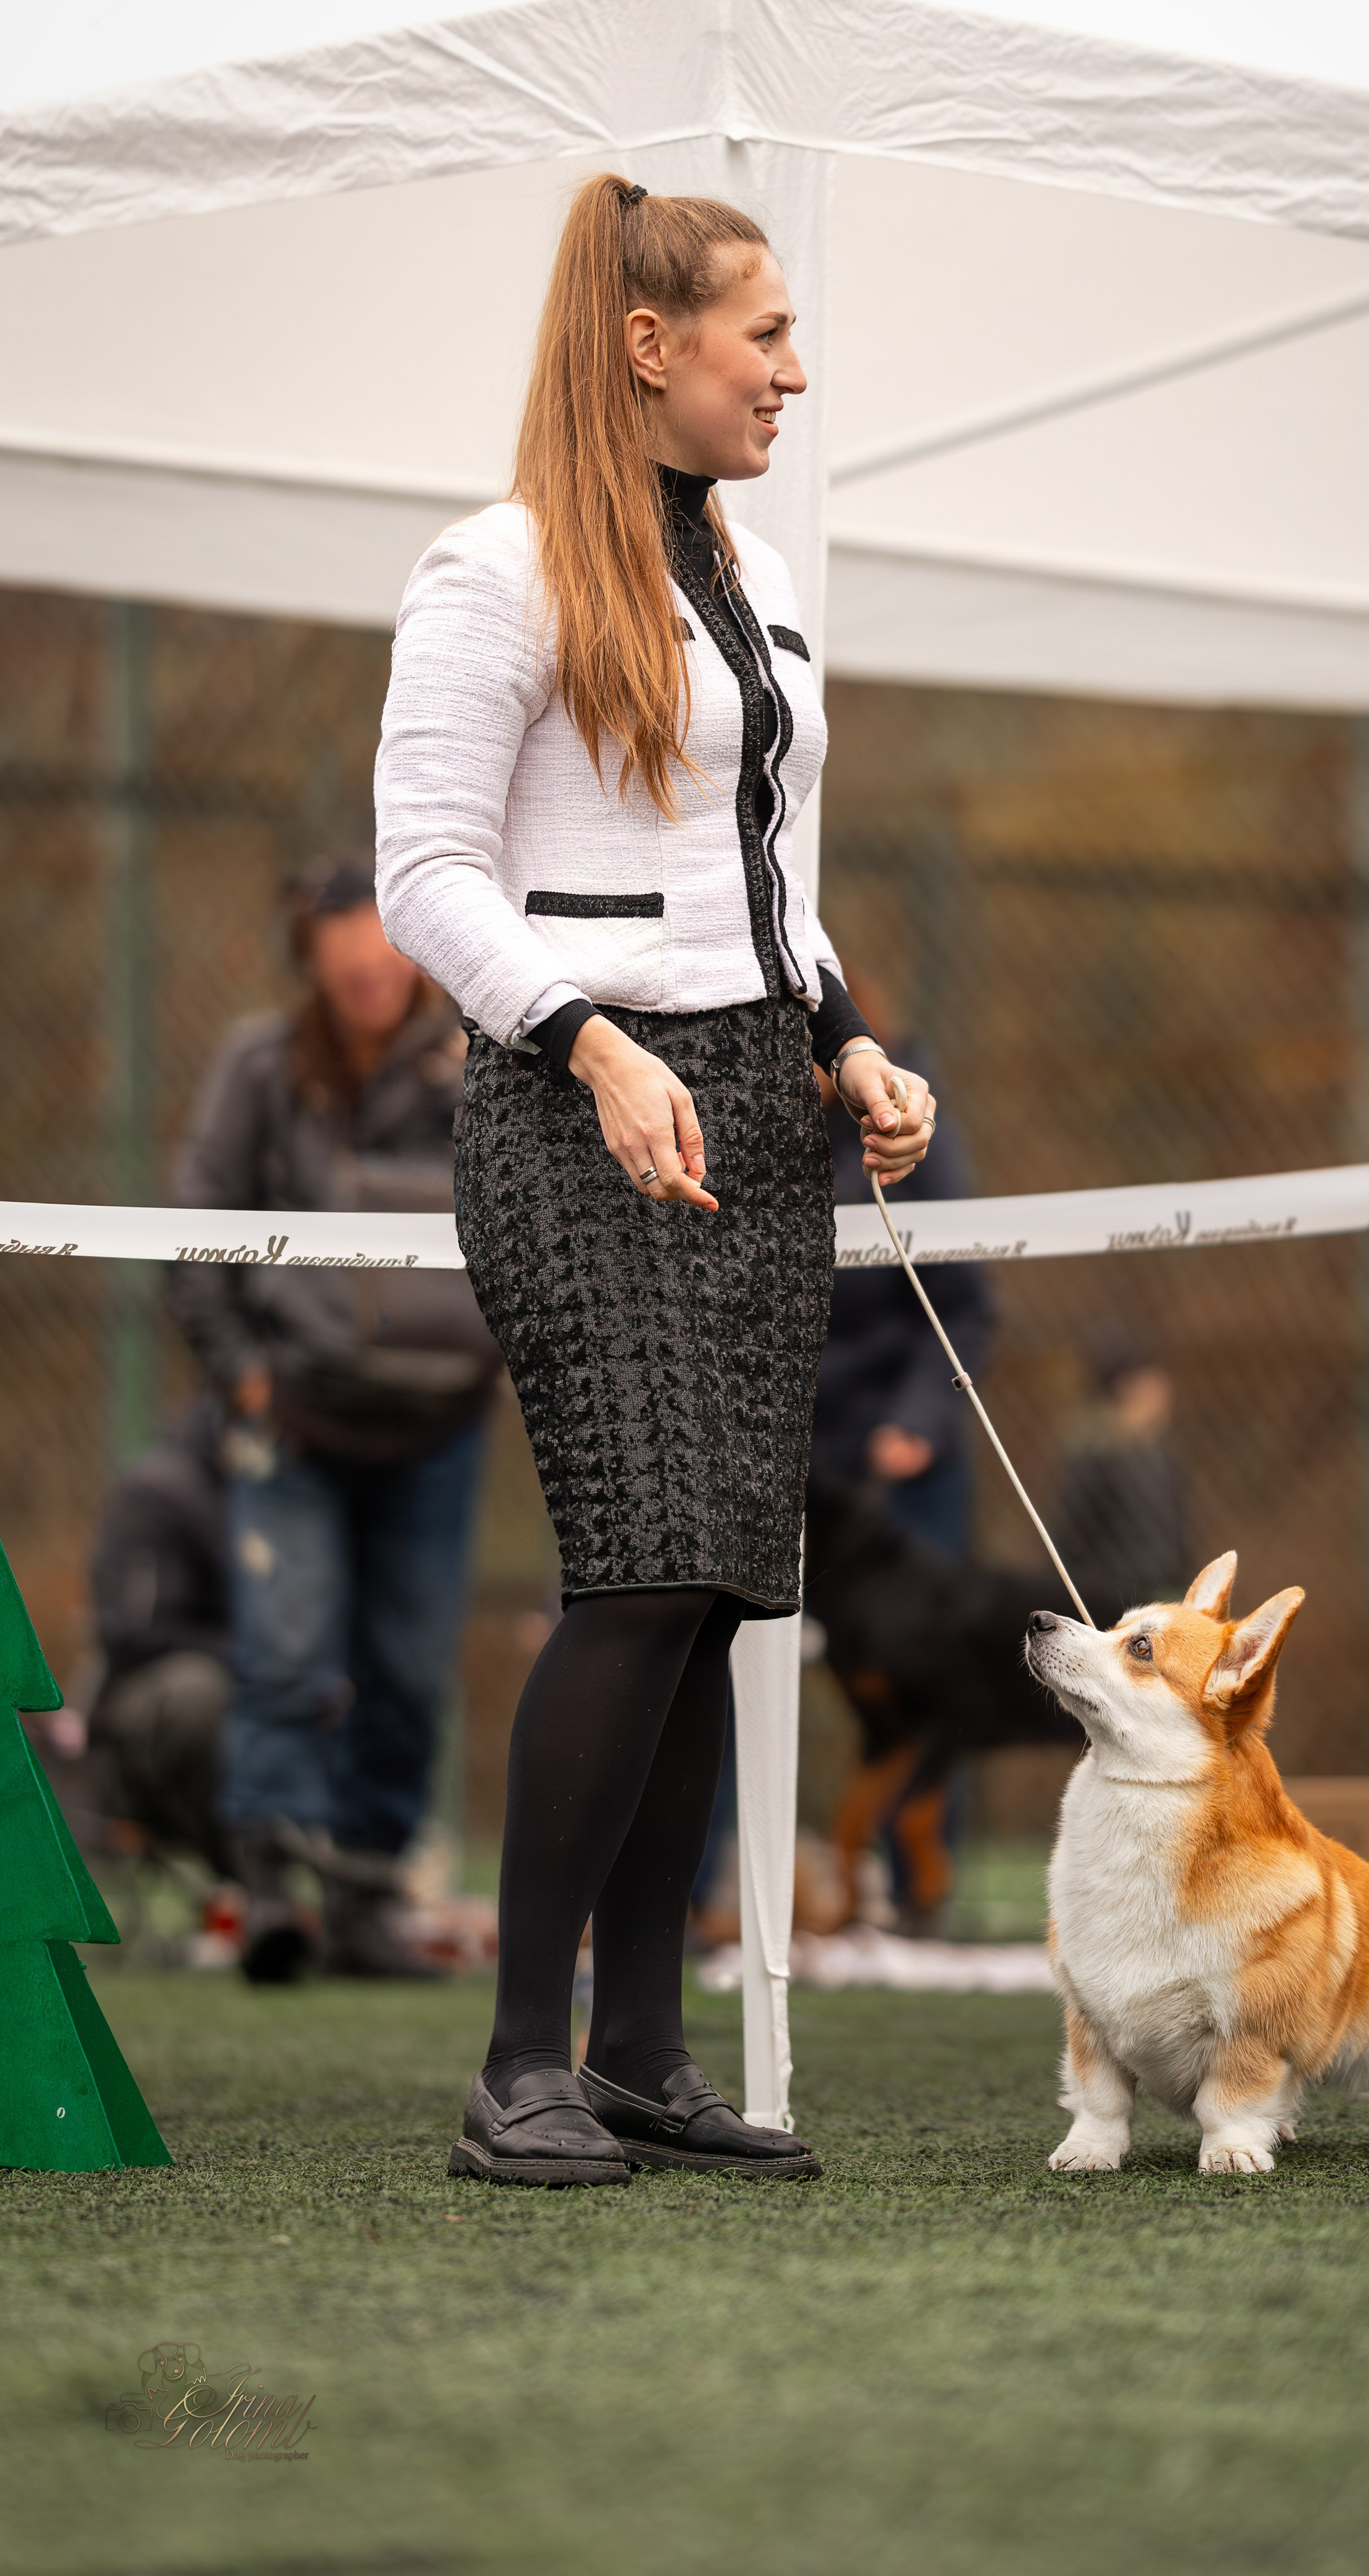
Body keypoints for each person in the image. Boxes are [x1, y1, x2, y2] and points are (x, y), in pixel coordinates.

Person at [375, 174, 935, 2186]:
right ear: (650, 347)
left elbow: (765, 886)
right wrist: (591, 1041)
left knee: (713, 1591)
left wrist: (848, 1043)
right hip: (571, 1105)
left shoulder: (760, 576)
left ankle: (639, 2053)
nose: (794, 370)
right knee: (632, 1569)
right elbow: (426, 873)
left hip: (754, 1119)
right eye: (763, 333)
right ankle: (518, 2062)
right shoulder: (495, 567)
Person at [168, 859, 504, 1983]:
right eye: (345, 954)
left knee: (408, 1667)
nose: (369, 972)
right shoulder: (261, 1066)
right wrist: (241, 1374)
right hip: (294, 1415)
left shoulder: (483, 1053)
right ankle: (268, 1889)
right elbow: (195, 1221)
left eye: (386, 950)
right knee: (286, 1650)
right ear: (312, 957)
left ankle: (366, 1898)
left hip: (436, 1420)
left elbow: (529, 1207)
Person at [812, 994, 990, 1560]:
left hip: (893, 1450)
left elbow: (963, 1304)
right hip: (783, 1442)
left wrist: (916, 1418)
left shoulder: (912, 1137)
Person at [83, 1395, 233, 1883]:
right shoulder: (160, 1492)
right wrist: (254, 1660)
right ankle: (242, 1870)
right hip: (129, 1724)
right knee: (201, 1692)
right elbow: (130, 1633)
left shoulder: (300, 1487)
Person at [1051, 1340, 1192, 1626]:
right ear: (1128, 1388)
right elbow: (1074, 1541)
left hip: (1167, 1592)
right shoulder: (1096, 1453)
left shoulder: (1158, 1449)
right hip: (1119, 1602)